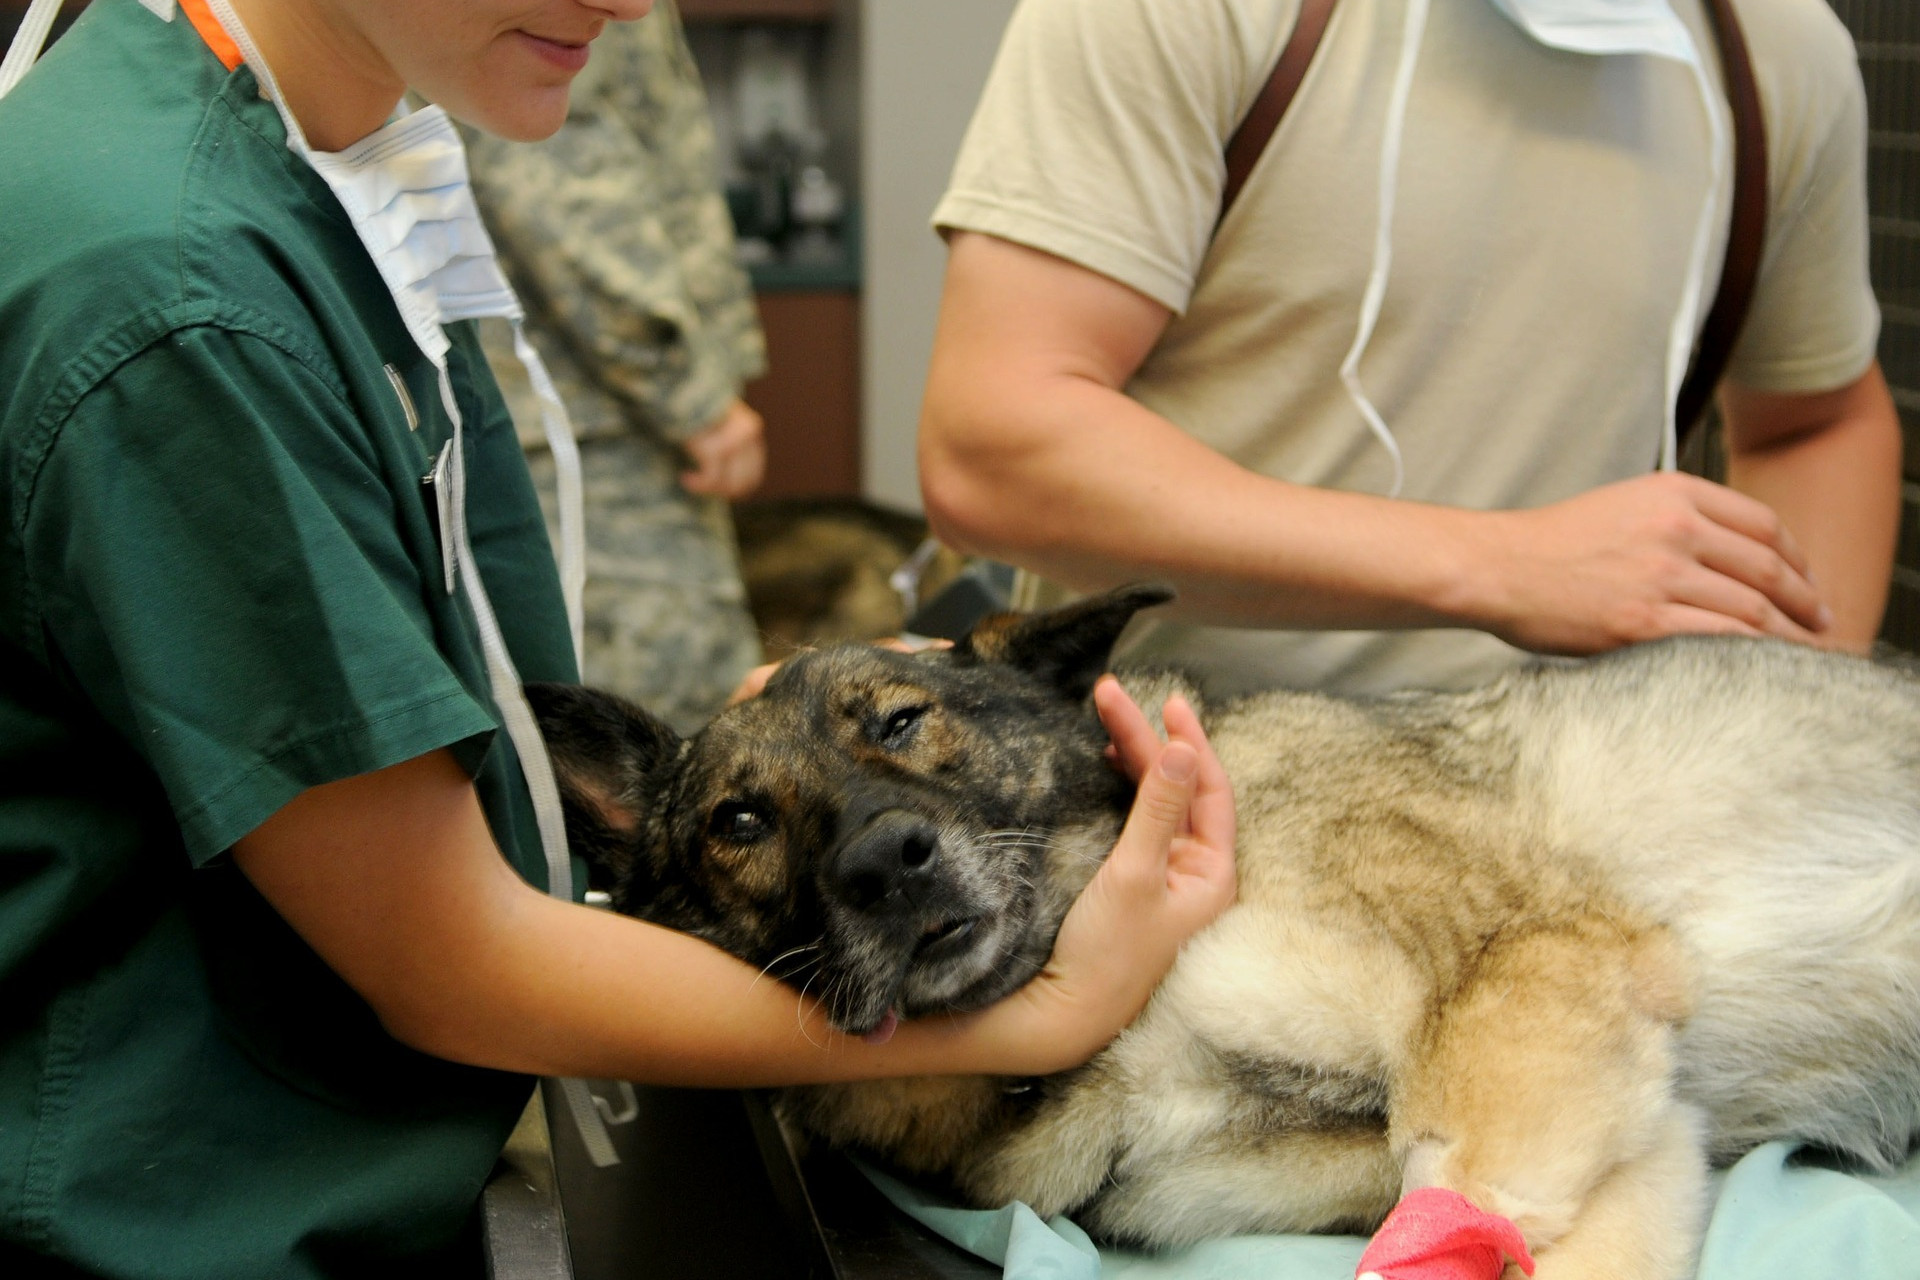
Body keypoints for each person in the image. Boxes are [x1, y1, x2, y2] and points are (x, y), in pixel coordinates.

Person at [0, 1, 1236, 1276]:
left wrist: (795, 742)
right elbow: (451, 960)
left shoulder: (329, 160)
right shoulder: (178, 297)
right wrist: (1043, 1015)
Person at [920, 0, 1903, 699]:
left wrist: (1791, 717)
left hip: (1594, 808)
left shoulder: (1776, 51)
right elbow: (995, 447)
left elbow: (1818, 418)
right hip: (1183, 805)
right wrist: (1503, 565)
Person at [464, 1, 769, 735]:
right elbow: (559, 183)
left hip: (580, 413)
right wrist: (692, 397)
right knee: (668, 754)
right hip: (593, 428)